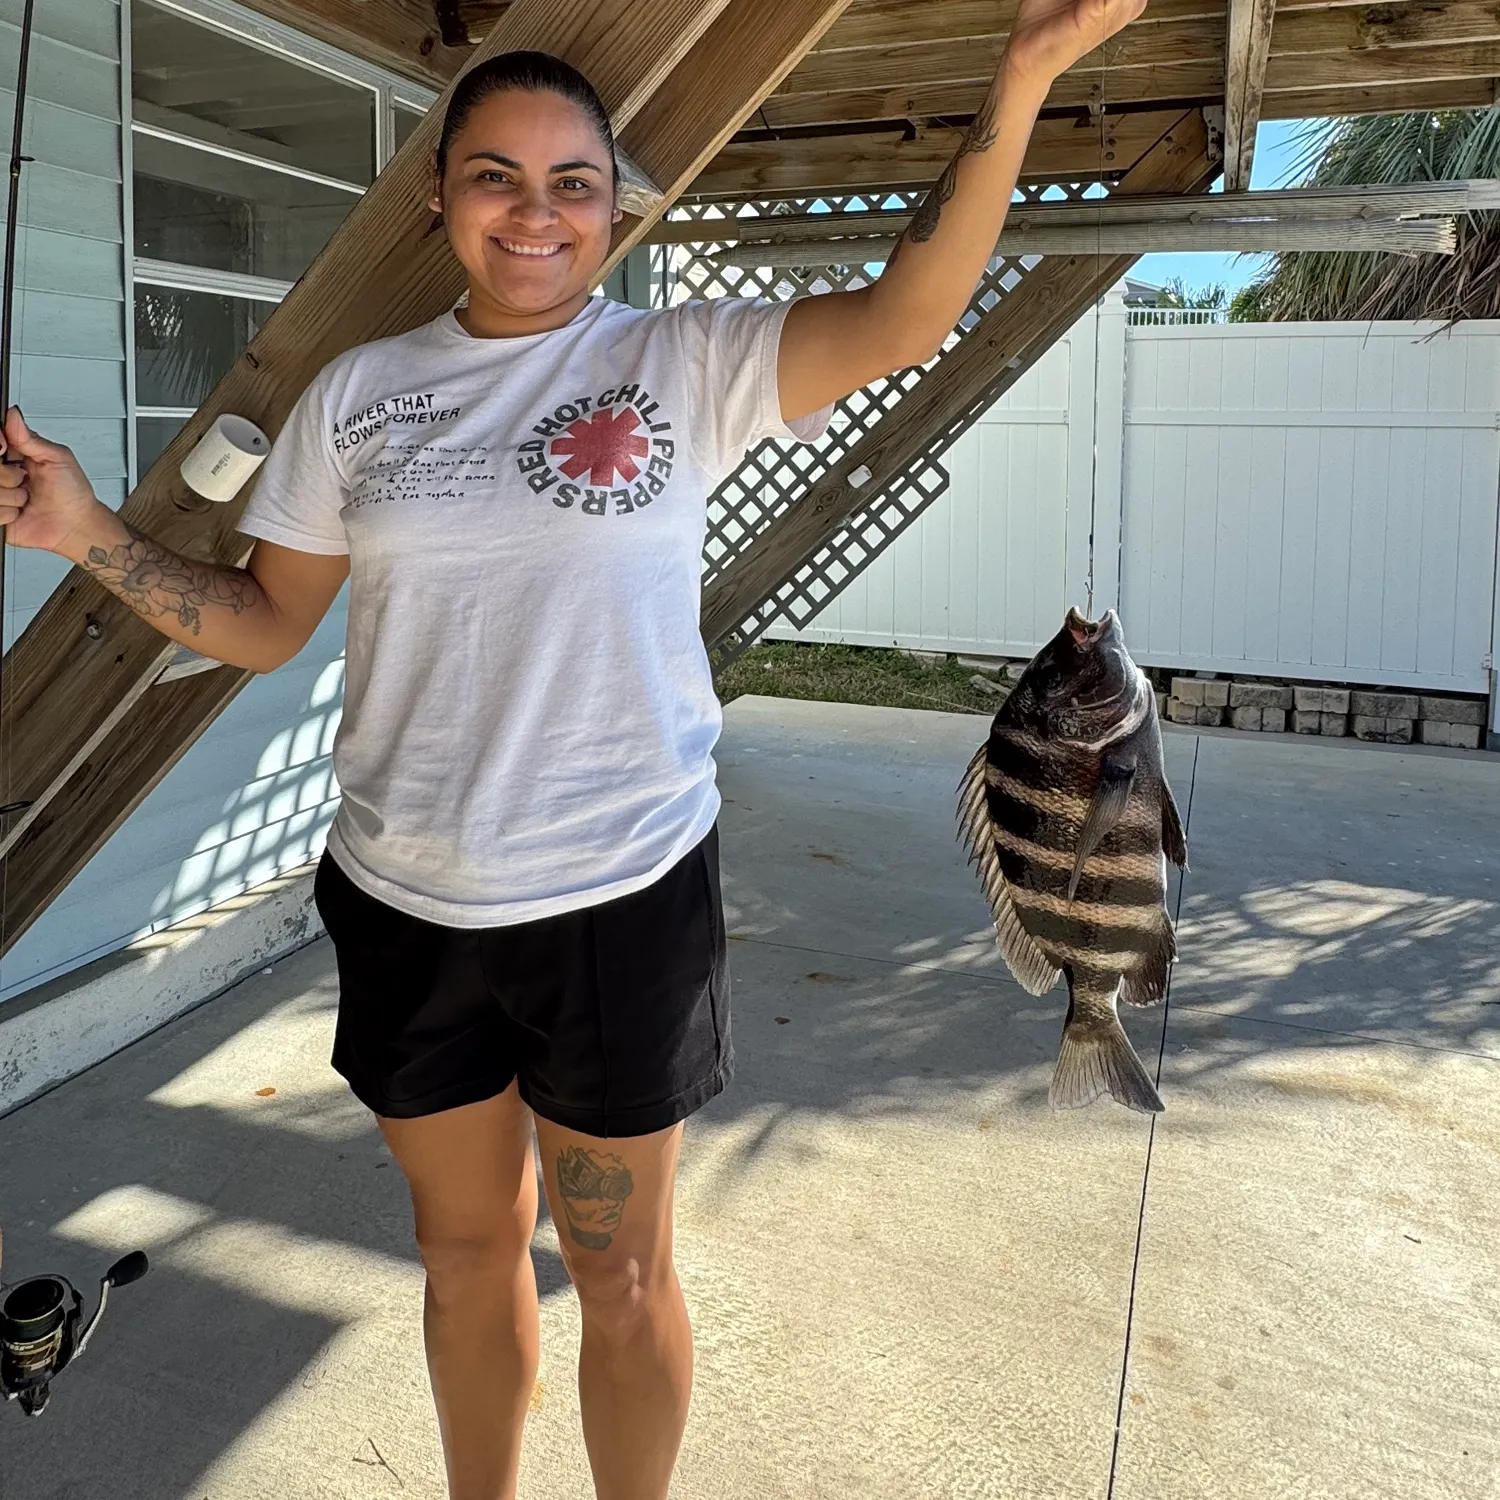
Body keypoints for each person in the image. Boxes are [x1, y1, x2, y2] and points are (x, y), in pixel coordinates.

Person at [0, 3, 1145, 1493]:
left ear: (614, 207)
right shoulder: (358, 396)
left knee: (618, 1276)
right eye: (496, 177)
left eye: (572, 184)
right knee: (463, 1258)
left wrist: (1027, 71)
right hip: (407, 901)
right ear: (440, 196)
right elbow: (264, 620)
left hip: (618, 902)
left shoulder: (681, 364)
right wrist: (87, 532)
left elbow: (906, 313)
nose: (534, 215)